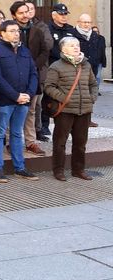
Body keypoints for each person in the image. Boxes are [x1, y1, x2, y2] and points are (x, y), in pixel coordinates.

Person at [0, 20, 40, 183]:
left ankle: (20, 168)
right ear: (2, 33)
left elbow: (33, 73)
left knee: (17, 133)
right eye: (11, 31)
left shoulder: (24, 51)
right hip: (5, 101)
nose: (16, 33)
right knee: (0, 133)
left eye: (17, 31)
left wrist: (29, 94)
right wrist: (15, 95)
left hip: (23, 100)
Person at [44, 37, 98, 181]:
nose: (76, 47)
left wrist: (91, 98)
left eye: (77, 45)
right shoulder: (56, 66)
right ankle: (58, 170)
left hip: (84, 110)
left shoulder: (86, 65)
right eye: (72, 45)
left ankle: (78, 170)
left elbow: (93, 84)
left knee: (80, 143)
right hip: (65, 111)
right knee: (60, 143)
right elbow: (48, 87)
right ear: (63, 49)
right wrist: (63, 98)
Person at [11, 1, 53, 152]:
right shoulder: (10, 30)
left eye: (26, 11)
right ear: (14, 15)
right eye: (20, 13)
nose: (24, 15)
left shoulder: (37, 30)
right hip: (13, 75)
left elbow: (45, 50)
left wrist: (34, 66)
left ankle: (30, 141)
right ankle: (11, 142)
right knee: (12, 109)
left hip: (33, 75)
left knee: (31, 109)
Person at [45, 3, 79, 137]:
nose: (64, 17)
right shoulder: (47, 29)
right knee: (50, 98)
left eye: (65, 14)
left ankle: (70, 124)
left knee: (69, 95)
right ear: (54, 15)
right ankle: (44, 125)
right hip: (53, 66)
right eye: (61, 14)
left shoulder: (71, 30)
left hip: (70, 68)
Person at [76, 13, 105, 118]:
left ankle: (88, 117)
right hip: (77, 70)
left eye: (89, 22)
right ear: (78, 22)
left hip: (92, 69)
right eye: (84, 22)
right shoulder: (73, 34)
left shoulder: (95, 36)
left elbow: (98, 51)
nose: (86, 24)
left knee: (89, 93)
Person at [91, 26, 107, 90]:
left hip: (99, 61)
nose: (95, 33)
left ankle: (96, 90)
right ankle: (91, 89)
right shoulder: (89, 38)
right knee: (91, 76)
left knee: (98, 76)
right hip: (91, 60)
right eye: (94, 31)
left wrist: (104, 61)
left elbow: (103, 49)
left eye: (96, 31)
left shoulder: (102, 38)